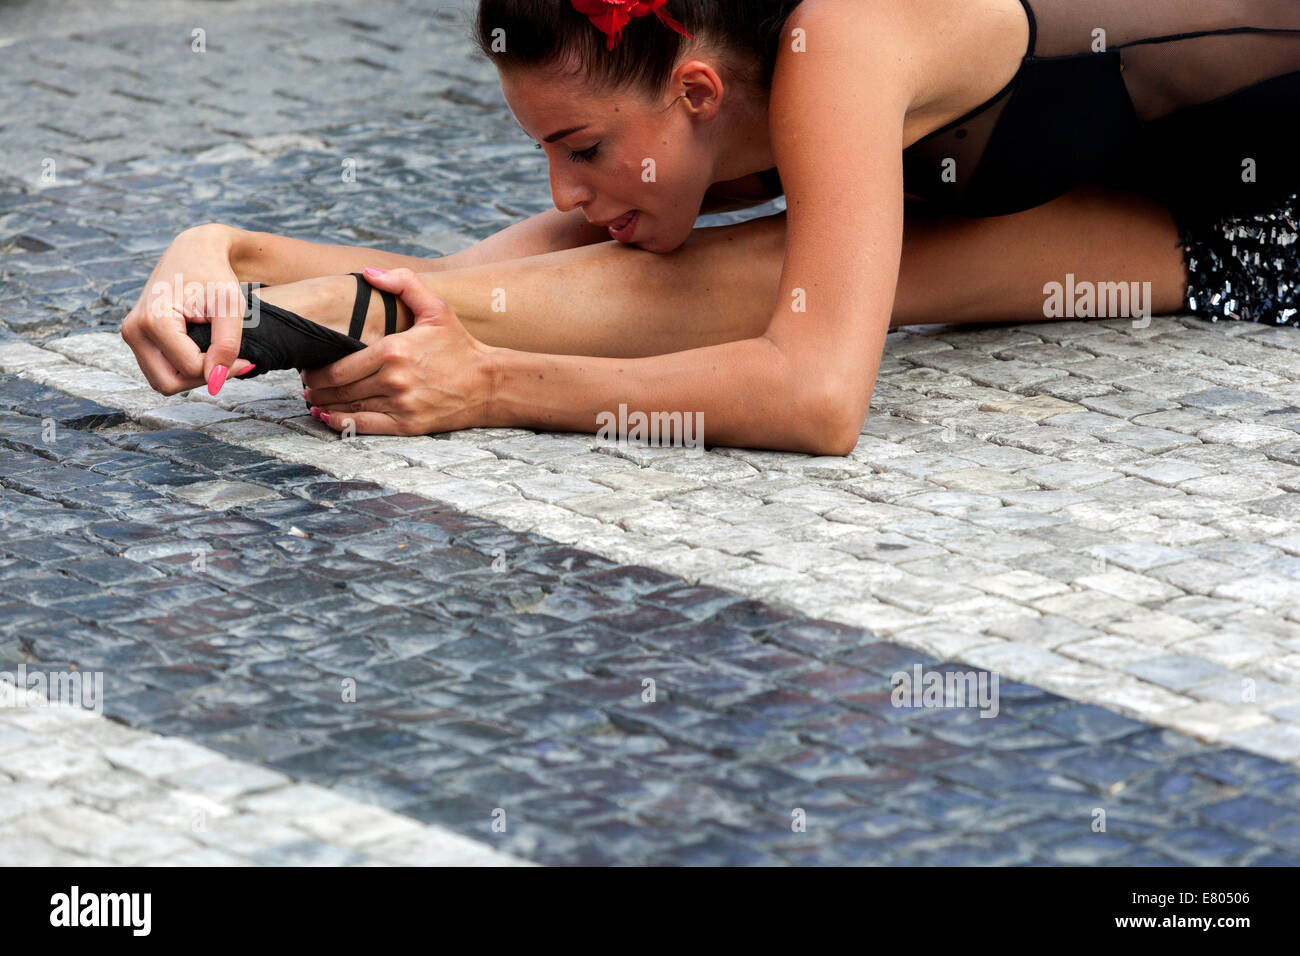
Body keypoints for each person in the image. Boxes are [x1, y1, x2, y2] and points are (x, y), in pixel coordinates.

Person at [120, 0, 1300, 455]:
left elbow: (818, 396)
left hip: (1273, 213)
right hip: (1148, 192)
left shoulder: (834, 41)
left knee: (782, 277)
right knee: (680, 254)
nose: (564, 189)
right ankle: (273, 318)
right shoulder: (722, 103)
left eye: (579, 147)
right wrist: (212, 251)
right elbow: (453, 280)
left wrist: (491, 389)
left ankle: (296, 321)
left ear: (694, 93)